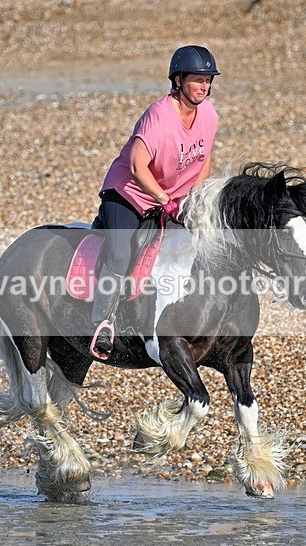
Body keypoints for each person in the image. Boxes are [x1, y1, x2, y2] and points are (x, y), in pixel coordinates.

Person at [89, 45, 220, 359]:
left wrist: (190, 198)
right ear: (178, 80)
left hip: (172, 198)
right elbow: (137, 166)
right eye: (197, 80)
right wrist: (164, 199)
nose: (204, 86)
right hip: (129, 194)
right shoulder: (158, 116)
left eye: (207, 80)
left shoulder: (208, 114)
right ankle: (103, 321)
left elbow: (204, 159)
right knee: (121, 253)